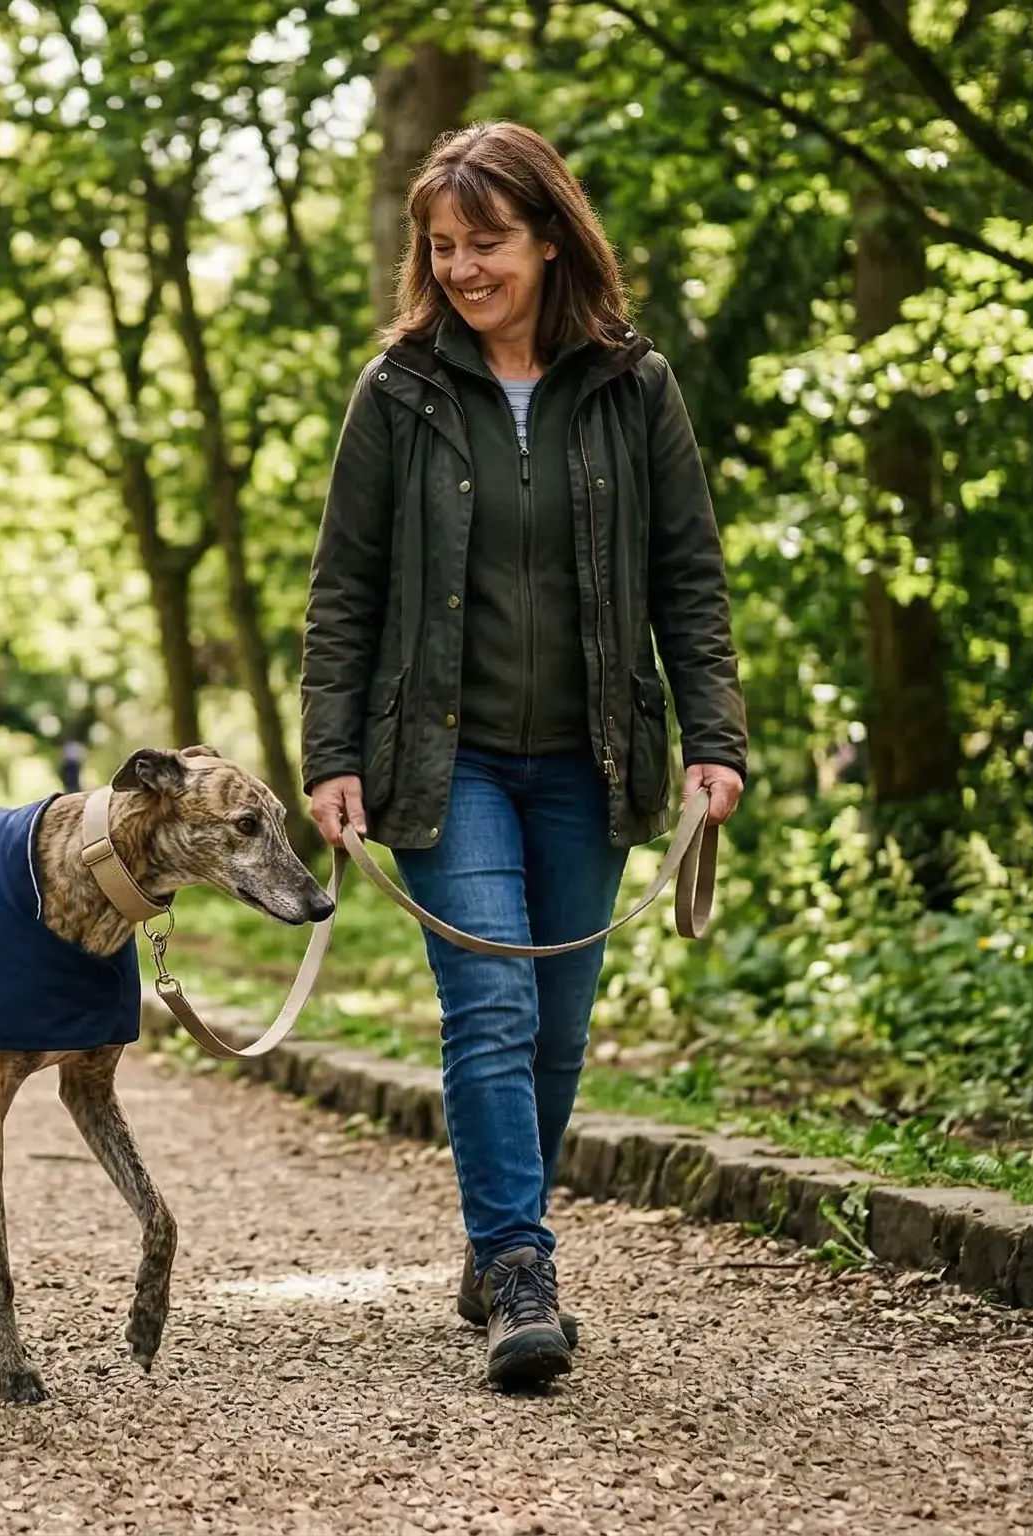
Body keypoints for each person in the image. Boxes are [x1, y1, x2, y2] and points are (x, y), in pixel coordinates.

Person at [298, 122, 747, 1390]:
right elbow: (345, 592)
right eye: (440, 247)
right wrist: (330, 756)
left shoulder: (634, 384)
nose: (460, 269)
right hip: (448, 767)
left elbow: (687, 579)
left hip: (596, 760)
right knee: (486, 1007)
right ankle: (518, 1265)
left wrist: (716, 736)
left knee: (556, 1028)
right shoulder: (397, 392)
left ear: (550, 237)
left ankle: (497, 1240)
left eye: (484, 243)